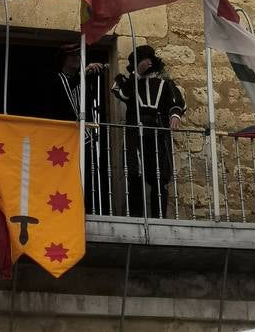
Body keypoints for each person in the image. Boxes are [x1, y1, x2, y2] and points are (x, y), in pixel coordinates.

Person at [111, 45, 186, 218]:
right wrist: (136, 73)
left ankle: (159, 217)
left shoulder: (165, 83)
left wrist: (175, 115)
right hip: (135, 131)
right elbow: (123, 94)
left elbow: (176, 101)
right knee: (134, 174)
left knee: (159, 175)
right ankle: (136, 216)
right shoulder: (126, 81)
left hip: (157, 131)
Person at [46, 42, 108, 214]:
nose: (76, 59)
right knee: (64, 176)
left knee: (87, 174)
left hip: (84, 137)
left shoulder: (84, 82)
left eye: (78, 56)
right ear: (64, 59)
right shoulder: (56, 79)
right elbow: (67, 89)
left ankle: (86, 208)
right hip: (62, 138)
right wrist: (84, 72)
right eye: (72, 56)